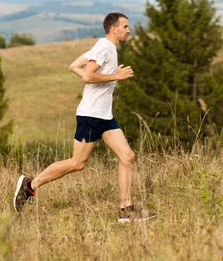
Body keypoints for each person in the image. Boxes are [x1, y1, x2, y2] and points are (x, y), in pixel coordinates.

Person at [13, 12, 154, 223]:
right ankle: (29, 186)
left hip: (105, 116)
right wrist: (116, 76)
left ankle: (125, 210)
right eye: (125, 26)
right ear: (113, 28)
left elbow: (74, 67)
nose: (128, 30)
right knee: (77, 163)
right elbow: (87, 76)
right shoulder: (104, 48)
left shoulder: (103, 47)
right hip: (90, 116)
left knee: (127, 157)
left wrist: (107, 76)